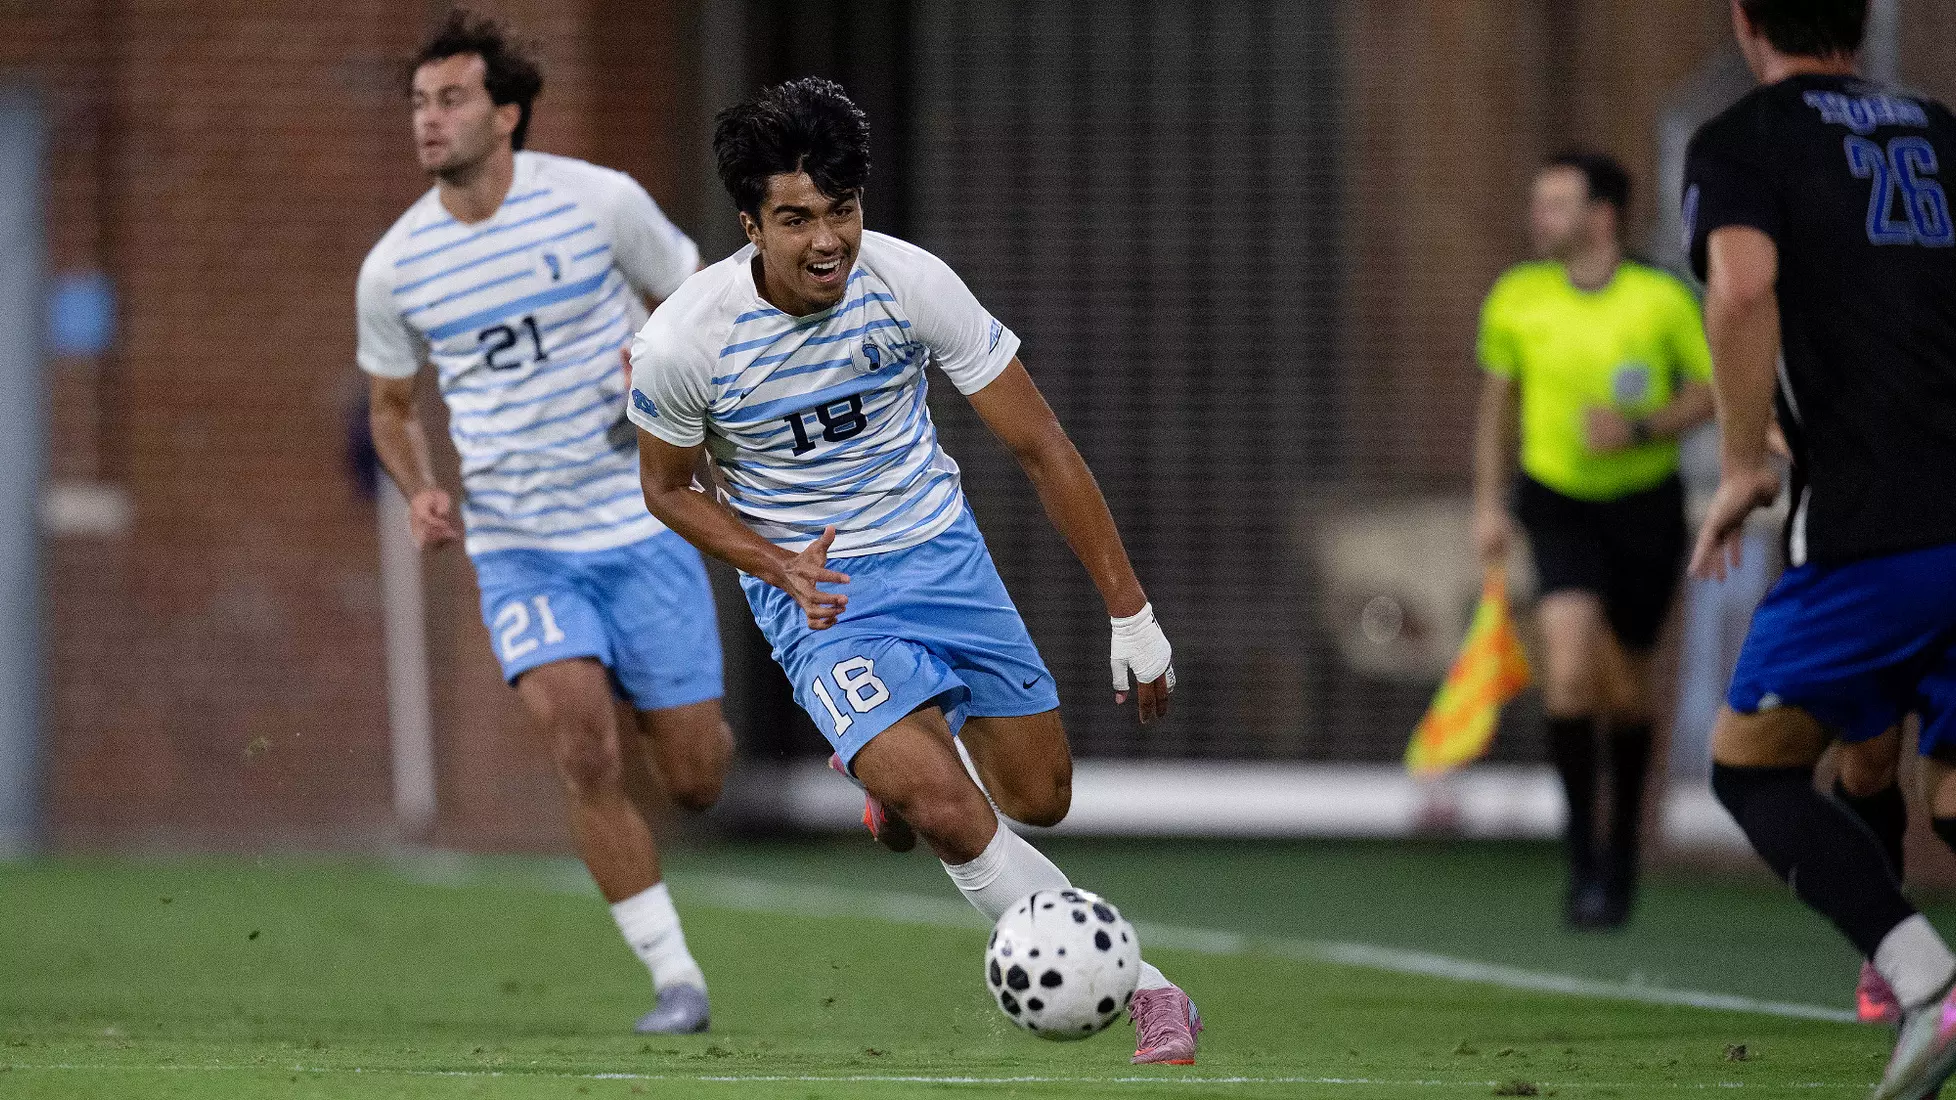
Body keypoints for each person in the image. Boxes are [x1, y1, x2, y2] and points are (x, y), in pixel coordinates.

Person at [627, 77, 1199, 1065]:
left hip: (943, 557)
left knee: (1040, 796)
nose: (827, 242)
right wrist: (776, 563)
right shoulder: (684, 343)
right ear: (750, 226)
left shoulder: (911, 283)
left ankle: (887, 776)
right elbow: (667, 490)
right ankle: (1148, 988)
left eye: (842, 211)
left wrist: (1132, 614)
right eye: (796, 219)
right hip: (821, 597)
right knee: (951, 811)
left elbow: (1042, 446)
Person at [357, 10, 730, 1035]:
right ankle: (676, 980)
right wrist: (418, 487)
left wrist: (657, 360)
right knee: (582, 748)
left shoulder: (600, 202)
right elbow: (389, 405)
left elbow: (699, 296)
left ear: (507, 114)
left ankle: (710, 735)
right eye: (419, 103)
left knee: (695, 777)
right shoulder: (396, 266)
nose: (429, 120)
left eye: (452, 99)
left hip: (641, 522)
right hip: (520, 547)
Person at [1687, 0, 1956, 1092]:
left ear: (1746, 19)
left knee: (1751, 764)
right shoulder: (1939, 128)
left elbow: (1743, 287)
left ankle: (1926, 982)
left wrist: (1742, 462)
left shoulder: (1745, 139)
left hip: (1873, 520)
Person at [1472, 152, 1715, 929]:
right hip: (1556, 503)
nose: (1538, 217)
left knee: (1628, 692)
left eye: (1556, 203)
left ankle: (1623, 852)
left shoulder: (1661, 299)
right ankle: (1583, 861)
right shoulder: (1518, 296)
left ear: (1602, 216)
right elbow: (1497, 407)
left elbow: (1711, 391)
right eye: (1537, 202)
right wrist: (1488, 504)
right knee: (1569, 673)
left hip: (1644, 509)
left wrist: (1640, 428)